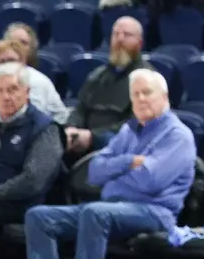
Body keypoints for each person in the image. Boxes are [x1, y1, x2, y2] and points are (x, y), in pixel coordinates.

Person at [25, 70, 195, 259]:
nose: (141, 99)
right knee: (38, 217)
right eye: (135, 94)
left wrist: (114, 176)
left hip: (154, 211)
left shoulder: (178, 136)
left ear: (164, 97)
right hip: (112, 208)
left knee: (95, 213)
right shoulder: (129, 131)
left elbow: (150, 180)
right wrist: (129, 162)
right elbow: (95, 171)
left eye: (147, 92)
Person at [61, 17, 149, 157]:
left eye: (127, 35)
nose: (120, 39)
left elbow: (138, 125)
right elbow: (80, 110)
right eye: (116, 34)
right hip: (84, 145)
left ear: (140, 43)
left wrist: (93, 137)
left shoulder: (147, 78)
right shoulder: (97, 75)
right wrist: (71, 128)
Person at [0, 61, 65, 226]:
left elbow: (33, 181)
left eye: (12, 89)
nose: (5, 96)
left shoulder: (45, 128)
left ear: (27, 92)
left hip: (21, 205)